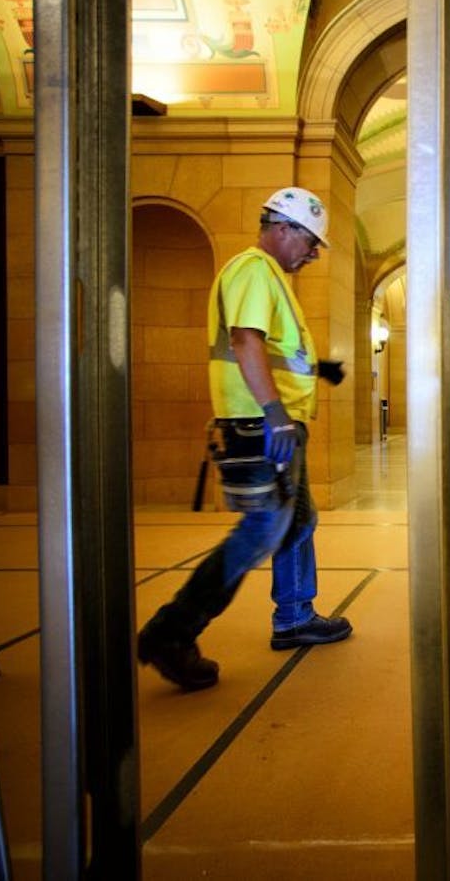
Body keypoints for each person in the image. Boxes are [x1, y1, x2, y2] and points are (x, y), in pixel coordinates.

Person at [137, 186, 352, 691]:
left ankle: (295, 616)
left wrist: (317, 370)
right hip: (259, 426)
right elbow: (244, 339)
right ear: (283, 229)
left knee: (298, 518)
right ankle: (172, 631)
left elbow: (272, 350)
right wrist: (275, 413)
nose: (314, 252)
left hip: (271, 424)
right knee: (261, 530)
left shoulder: (269, 277)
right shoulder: (254, 270)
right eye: (311, 240)